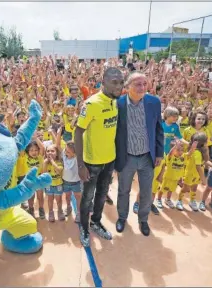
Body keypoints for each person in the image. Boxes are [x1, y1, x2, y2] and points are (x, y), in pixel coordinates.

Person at [75, 67, 124, 247]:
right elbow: (78, 132)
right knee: (87, 197)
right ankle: (84, 227)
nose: (119, 86)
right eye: (114, 82)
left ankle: (96, 222)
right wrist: (80, 165)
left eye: (121, 82)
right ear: (103, 82)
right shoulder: (91, 104)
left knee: (102, 195)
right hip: (91, 162)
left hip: (109, 160)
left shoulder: (116, 102)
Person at [115, 72, 164, 236]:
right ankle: (122, 217)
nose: (142, 87)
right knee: (123, 190)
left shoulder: (154, 102)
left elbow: (158, 129)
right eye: (138, 84)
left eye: (144, 83)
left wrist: (159, 153)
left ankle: (143, 220)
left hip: (147, 157)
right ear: (127, 87)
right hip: (126, 157)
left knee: (146, 191)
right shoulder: (118, 104)